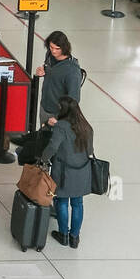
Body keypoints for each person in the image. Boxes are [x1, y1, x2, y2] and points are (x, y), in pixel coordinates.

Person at [40, 96, 94, 249]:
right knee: (78, 203)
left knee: (61, 201)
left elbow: (52, 147)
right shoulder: (86, 126)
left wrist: (43, 159)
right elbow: (90, 151)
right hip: (82, 171)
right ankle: (74, 237)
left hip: (64, 172)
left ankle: (63, 234)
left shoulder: (61, 127)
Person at [34, 30, 81, 126]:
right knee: (42, 138)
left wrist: (58, 118)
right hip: (44, 107)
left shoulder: (72, 71)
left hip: (58, 115)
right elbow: (50, 70)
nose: (53, 51)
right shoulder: (49, 55)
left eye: (57, 48)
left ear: (64, 48)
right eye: (51, 47)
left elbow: (74, 100)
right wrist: (42, 71)